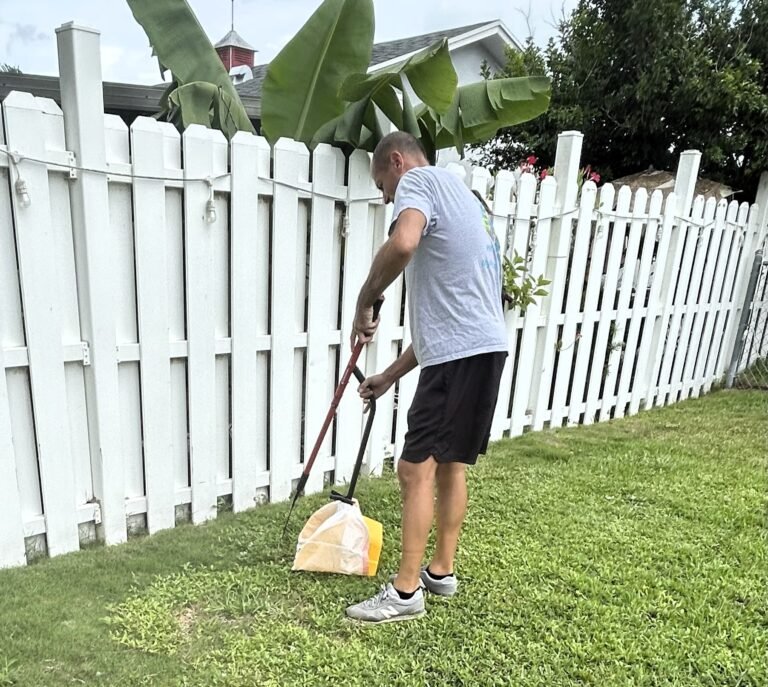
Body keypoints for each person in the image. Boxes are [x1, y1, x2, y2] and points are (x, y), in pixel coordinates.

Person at [345, 132, 508, 624]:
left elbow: (403, 242)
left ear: (397, 162)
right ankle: (441, 572)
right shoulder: (464, 197)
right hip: (485, 347)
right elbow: (449, 324)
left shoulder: (418, 181)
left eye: (382, 184)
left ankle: (405, 591)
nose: (386, 197)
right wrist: (389, 376)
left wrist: (364, 299)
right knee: (451, 464)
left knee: (414, 469)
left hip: (461, 355)